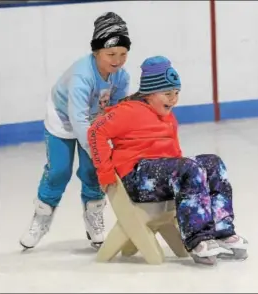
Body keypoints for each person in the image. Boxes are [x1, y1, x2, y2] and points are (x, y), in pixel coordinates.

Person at [87, 56, 248, 265]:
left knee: (213, 163)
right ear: (149, 93)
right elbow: (95, 132)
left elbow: (173, 152)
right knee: (188, 168)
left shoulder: (167, 116)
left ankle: (221, 229)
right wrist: (105, 172)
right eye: (167, 94)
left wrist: (188, 172)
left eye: (176, 93)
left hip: (161, 175)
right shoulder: (128, 111)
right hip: (137, 176)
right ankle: (198, 238)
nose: (173, 99)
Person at [20, 12, 131, 250]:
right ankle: (42, 216)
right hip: (65, 119)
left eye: (123, 54)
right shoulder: (82, 76)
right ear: (96, 51)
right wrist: (97, 151)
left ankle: (93, 215)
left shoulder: (121, 77)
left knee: (92, 171)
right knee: (59, 171)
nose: (118, 60)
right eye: (111, 54)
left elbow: (118, 111)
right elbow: (78, 119)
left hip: (92, 121)